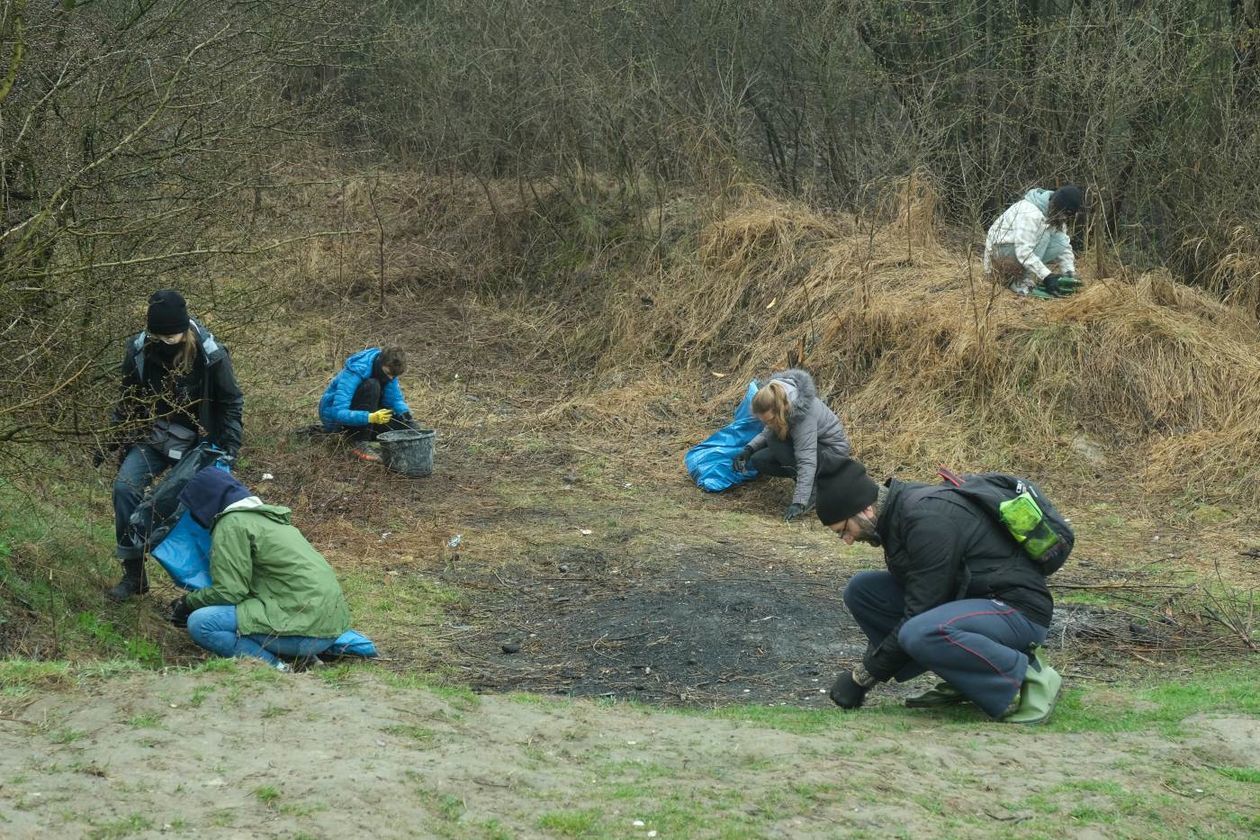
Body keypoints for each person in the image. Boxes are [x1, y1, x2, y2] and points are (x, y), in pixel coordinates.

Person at [816, 458, 1062, 724]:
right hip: (973, 604)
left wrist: (862, 678)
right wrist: (868, 671)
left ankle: (1031, 674)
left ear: (866, 511)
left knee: (920, 630)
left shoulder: (926, 519)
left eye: (844, 530)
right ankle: (967, 679)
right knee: (863, 591)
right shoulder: (896, 517)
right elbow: (915, 598)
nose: (848, 540)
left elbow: (920, 610)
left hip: (1018, 611)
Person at [101, 289, 244, 601]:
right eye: (163, 336)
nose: (169, 340)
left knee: (190, 512)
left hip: (197, 444)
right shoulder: (139, 350)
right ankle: (134, 574)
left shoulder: (210, 354)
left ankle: (201, 590)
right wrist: (109, 441)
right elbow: (128, 400)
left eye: (175, 335)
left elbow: (231, 401)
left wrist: (230, 446)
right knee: (125, 490)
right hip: (152, 437)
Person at [169, 467, 352, 670]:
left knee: (201, 623)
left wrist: (188, 602)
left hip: (305, 632)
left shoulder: (232, 523)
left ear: (205, 502)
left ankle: (277, 667)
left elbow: (229, 592)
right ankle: (303, 657)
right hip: (328, 628)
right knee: (244, 614)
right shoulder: (267, 519)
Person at [730, 369, 851, 521]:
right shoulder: (780, 401)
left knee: (775, 440)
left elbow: (806, 460)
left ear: (780, 410)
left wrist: (799, 502)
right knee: (759, 459)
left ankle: (815, 491)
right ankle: (809, 487)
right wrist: (748, 450)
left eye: (769, 419)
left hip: (832, 457)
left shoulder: (802, 416)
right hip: (814, 451)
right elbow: (770, 429)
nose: (767, 424)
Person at [984, 184, 1086, 298]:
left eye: (1069, 215)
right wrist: (1047, 276)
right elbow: (1023, 251)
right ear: (1058, 206)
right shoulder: (1030, 212)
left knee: (1061, 241)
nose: (1065, 218)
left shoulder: (1055, 215)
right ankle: (1020, 281)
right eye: (1065, 213)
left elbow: (1065, 247)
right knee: (1045, 235)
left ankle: (1024, 277)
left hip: (1014, 252)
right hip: (999, 254)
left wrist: (1069, 273)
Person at [318, 346, 416, 462]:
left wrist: (406, 416)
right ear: (380, 362)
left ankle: (371, 433)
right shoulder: (356, 370)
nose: (390, 378)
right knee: (372, 385)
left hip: (369, 416)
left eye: (394, 376)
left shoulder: (389, 372)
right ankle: (358, 443)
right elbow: (338, 413)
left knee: (406, 428)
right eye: (388, 373)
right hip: (338, 422)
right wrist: (370, 417)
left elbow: (394, 399)